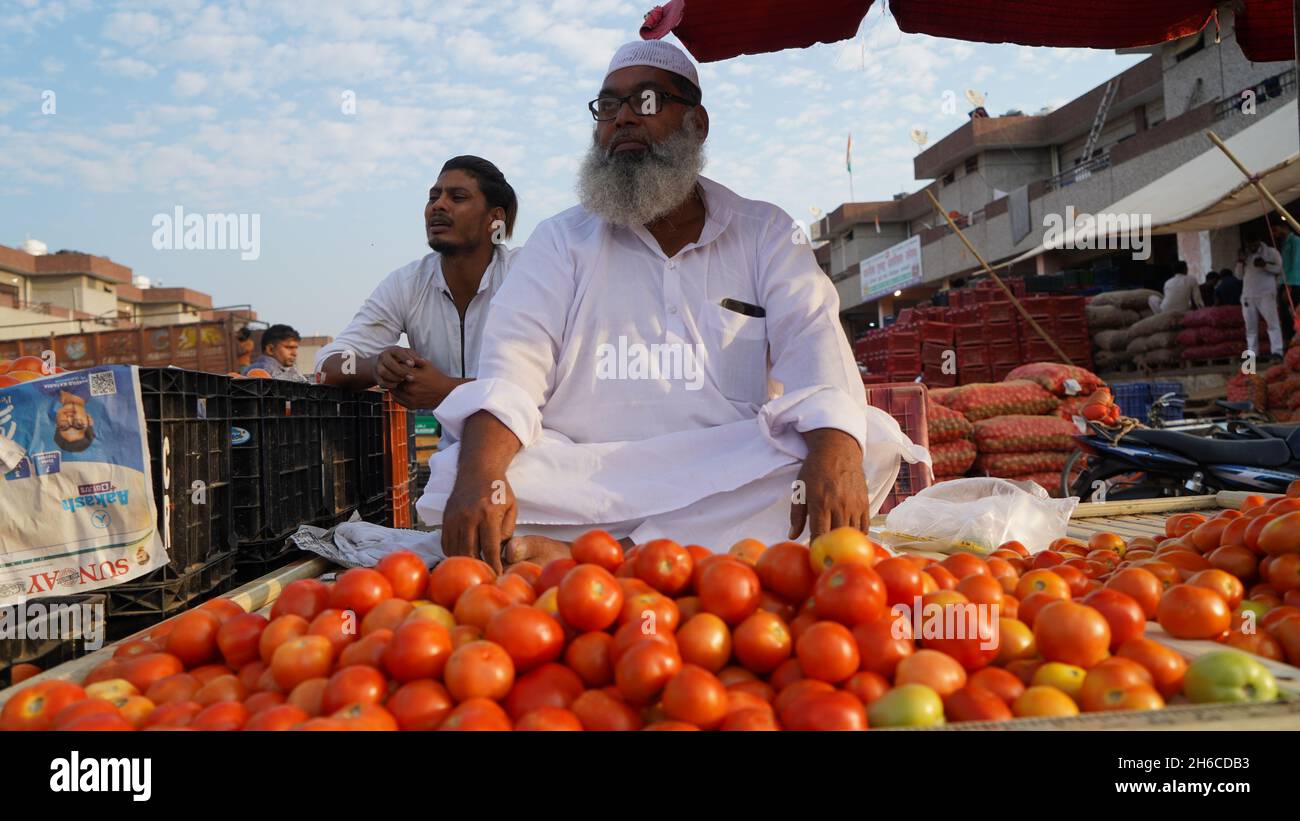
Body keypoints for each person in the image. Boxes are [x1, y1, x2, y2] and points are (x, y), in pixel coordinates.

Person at [420, 41, 929, 571]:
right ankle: (663, 555)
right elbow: (510, 375)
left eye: (644, 103)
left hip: (725, 473)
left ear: (697, 122)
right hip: (584, 478)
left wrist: (833, 450)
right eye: (608, 107)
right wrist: (482, 478)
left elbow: (814, 348)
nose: (621, 121)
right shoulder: (559, 242)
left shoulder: (766, 233)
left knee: (865, 442)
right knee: (464, 471)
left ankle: (608, 558)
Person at [315, 157, 519, 410]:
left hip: (541, 443)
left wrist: (448, 390)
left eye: (457, 197)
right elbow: (327, 366)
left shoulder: (524, 273)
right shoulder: (407, 283)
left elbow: (552, 386)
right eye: (433, 197)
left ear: (495, 219)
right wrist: (376, 365)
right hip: (453, 448)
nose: (438, 205)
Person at [1240, 235, 1284, 360]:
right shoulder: (1246, 256)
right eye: (1249, 245)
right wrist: (1239, 262)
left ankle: (1277, 352)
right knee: (1250, 328)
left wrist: (1265, 265)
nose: (1251, 247)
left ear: (1259, 241)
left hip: (1266, 294)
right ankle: (1252, 353)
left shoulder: (1271, 252)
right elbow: (1238, 276)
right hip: (1248, 295)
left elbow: (1279, 269)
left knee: (1272, 324)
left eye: (1253, 244)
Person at [243, 324, 308, 382]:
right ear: (270, 349)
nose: (295, 353)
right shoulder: (265, 370)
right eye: (289, 347)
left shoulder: (276, 369)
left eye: (295, 348)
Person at [1275, 222, 1299, 344]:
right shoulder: (1285, 242)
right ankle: (1290, 340)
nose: (1275, 233)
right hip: (1285, 282)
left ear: (1284, 227)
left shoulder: (1295, 241)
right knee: (1285, 314)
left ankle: (1294, 339)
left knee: (1293, 313)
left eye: (1277, 229)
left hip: (1293, 283)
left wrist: (1288, 286)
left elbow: (1295, 263)